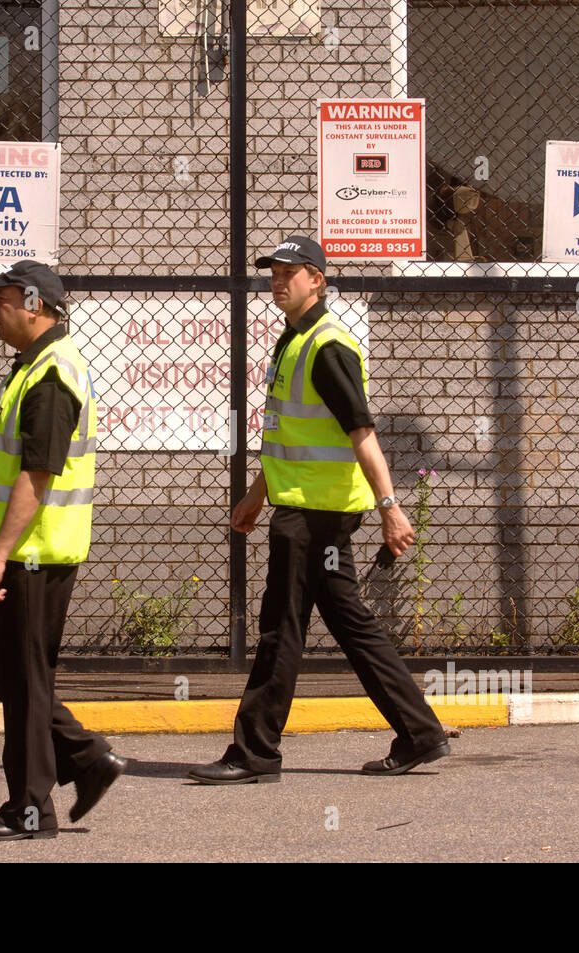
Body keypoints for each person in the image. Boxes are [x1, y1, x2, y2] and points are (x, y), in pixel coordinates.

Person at [189, 236, 450, 784]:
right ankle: (420, 733)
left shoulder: (328, 346)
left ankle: (254, 752)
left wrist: (391, 507)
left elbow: (361, 432)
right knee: (348, 623)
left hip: (314, 516)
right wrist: (257, 495)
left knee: (280, 629)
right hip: (303, 508)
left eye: (292, 272)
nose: (278, 281)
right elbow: (292, 437)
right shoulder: (295, 340)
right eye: (274, 273)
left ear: (318, 279)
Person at [0, 259, 125, 839]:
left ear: (32, 303)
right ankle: (85, 757)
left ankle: (30, 809)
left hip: (35, 553)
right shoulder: (27, 369)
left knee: (23, 679)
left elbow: (38, 476)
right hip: (25, 550)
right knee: (2, 664)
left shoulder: (52, 376)